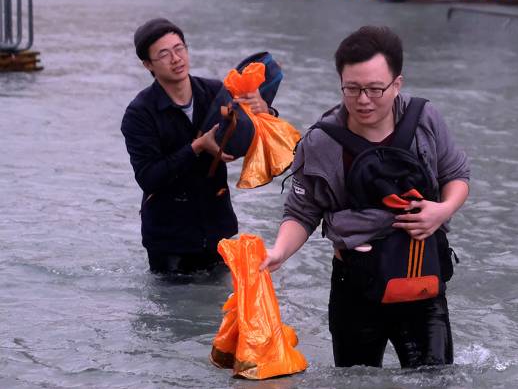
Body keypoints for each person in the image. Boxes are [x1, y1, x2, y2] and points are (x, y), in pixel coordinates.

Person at [260, 25, 470, 368]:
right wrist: (279, 252)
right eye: (352, 89)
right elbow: (301, 211)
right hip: (354, 287)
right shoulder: (321, 141)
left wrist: (442, 210)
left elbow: (457, 175)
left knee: (435, 381)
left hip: (421, 285)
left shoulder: (424, 120)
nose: (363, 100)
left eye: (375, 89)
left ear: (397, 83)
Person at [120, 18, 270, 274]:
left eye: (179, 49)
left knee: (217, 309)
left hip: (218, 231)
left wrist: (263, 112)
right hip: (169, 241)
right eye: (164, 54)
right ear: (148, 65)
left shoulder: (216, 93)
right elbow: (149, 178)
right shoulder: (139, 113)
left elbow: (254, 141)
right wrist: (197, 146)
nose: (176, 59)